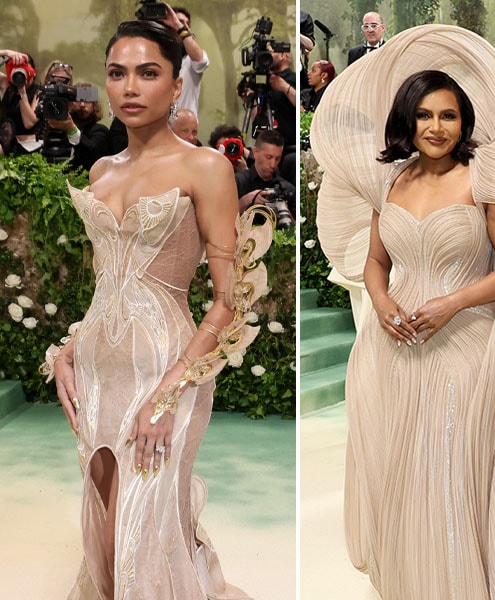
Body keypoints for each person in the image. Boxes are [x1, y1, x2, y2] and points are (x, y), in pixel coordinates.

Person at [311, 24, 495, 599]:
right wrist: (384, 302)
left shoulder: (488, 176)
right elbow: (373, 261)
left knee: (454, 469)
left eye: (448, 116)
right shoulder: (389, 180)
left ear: (464, 121)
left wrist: (451, 302)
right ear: (406, 121)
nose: (436, 127)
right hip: (394, 344)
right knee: (406, 470)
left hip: (467, 338)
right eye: (424, 115)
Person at [39, 19, 272, 598]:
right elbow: (105, 284)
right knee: (110, 536)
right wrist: (66, 351)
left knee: (146, 531)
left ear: (176, 86)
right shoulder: (101, 170)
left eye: (149, 73)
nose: (130, 88)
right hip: (97, 369)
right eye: (118, 73)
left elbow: (228, 300)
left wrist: (168, 393)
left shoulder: (205, 167)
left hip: (167, 366)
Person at [45, 81, 111, 172]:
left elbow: (93, 154)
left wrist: (71, 129)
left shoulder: (100, 130)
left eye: (87, 100)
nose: (82, 105)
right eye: (78, 100)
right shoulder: (59, 129)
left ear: (94, 105)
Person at [161, 4, 209, 120]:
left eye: (188, 24)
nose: (185, 27)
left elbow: (200, 61)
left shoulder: (191, 58)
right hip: (158, 130)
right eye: (179, 22)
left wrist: (179, 27)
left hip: (185, 130)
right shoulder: (157, 56)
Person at [236, 129, 295, 217]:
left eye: (277, 159)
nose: (273, 164)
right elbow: (223, 216)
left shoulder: (287, 189)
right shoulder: (237, 182)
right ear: (255, 153)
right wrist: (248, 199)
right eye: (269, 157)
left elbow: (294, 228)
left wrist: (285, 213)